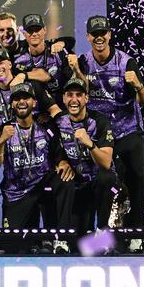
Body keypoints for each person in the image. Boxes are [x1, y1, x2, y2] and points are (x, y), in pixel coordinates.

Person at [70, 15, 144, 231]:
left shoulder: (126, 62)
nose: (99, 38)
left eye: (103, 33)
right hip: (100, 131)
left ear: (109, 35)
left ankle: (136, 232)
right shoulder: (83, 62)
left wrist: (138, 85)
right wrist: (77, 72)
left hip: (127, 130)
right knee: (102, 179)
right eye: (94, 34)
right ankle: (100, 230)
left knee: (137, 177)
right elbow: (78, 94)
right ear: (87, 36)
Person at [0, 82, 75, 253]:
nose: (21, 102)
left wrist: (63, 162)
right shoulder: (3, 128)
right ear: (12, 104)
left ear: (34, 102)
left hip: (42, 187)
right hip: (16, 194)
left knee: (65, 179)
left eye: (26, 98)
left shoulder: (46, 126)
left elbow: (59, 155)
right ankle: (34, 242)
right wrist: (1, 141)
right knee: (13, 248)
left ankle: (61, 239)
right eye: (17, 99)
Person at [54, 78, 116, 234]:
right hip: (76, 185)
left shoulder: (100, 121)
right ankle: (63, 237)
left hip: (98, 183)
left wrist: (90, 144)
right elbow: (52, 151)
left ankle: (103, 229)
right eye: (69, 95)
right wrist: (61, 162)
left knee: (106, 177)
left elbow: (106, 163)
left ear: (86, 98)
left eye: (79, 95)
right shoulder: (58, 122)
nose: (74, 100)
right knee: (79, 241)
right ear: (63, 98)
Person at [0, 47, 60, 134]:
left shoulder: (30, 85)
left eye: (0, 63)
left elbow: (55, 110)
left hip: (36, 136)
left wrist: (49, 120)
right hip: (9, 139)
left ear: (10, 65)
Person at [13, 13, 73, 103]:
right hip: (33, 110)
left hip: (60, 106)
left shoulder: (57, 51)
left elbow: (71, 40)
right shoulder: (19, 59)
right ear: (24, 33)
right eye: (30, 30)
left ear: (44, 30)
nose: (34, 34)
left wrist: (62, 43)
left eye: (37, 29)